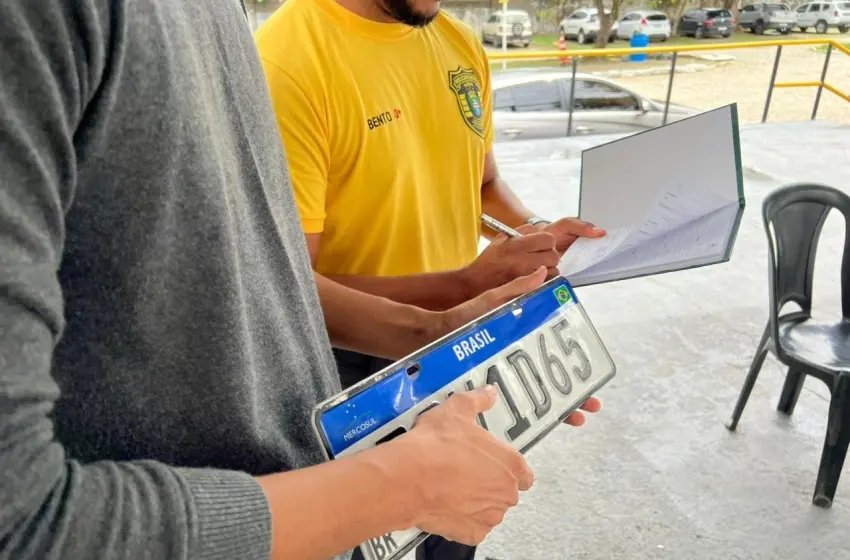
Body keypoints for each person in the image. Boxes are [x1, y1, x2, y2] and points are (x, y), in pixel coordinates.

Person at [0, 2, 601, 559]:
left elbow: (259, 268)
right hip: (343, 391)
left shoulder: (447, 42)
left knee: (455, 528)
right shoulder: (287, 55)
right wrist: (394, 486)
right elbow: (25, 521)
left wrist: (478, 294)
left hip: (428, 365)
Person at [256, 0, 606, 557]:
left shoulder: (459, 44)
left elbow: (482, 183)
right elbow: (283, 286)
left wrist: (533, 235)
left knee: (457, 530)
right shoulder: (286, 63)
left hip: (460, 340)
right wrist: (458, 289)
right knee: (362, 540)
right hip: (348, 366)